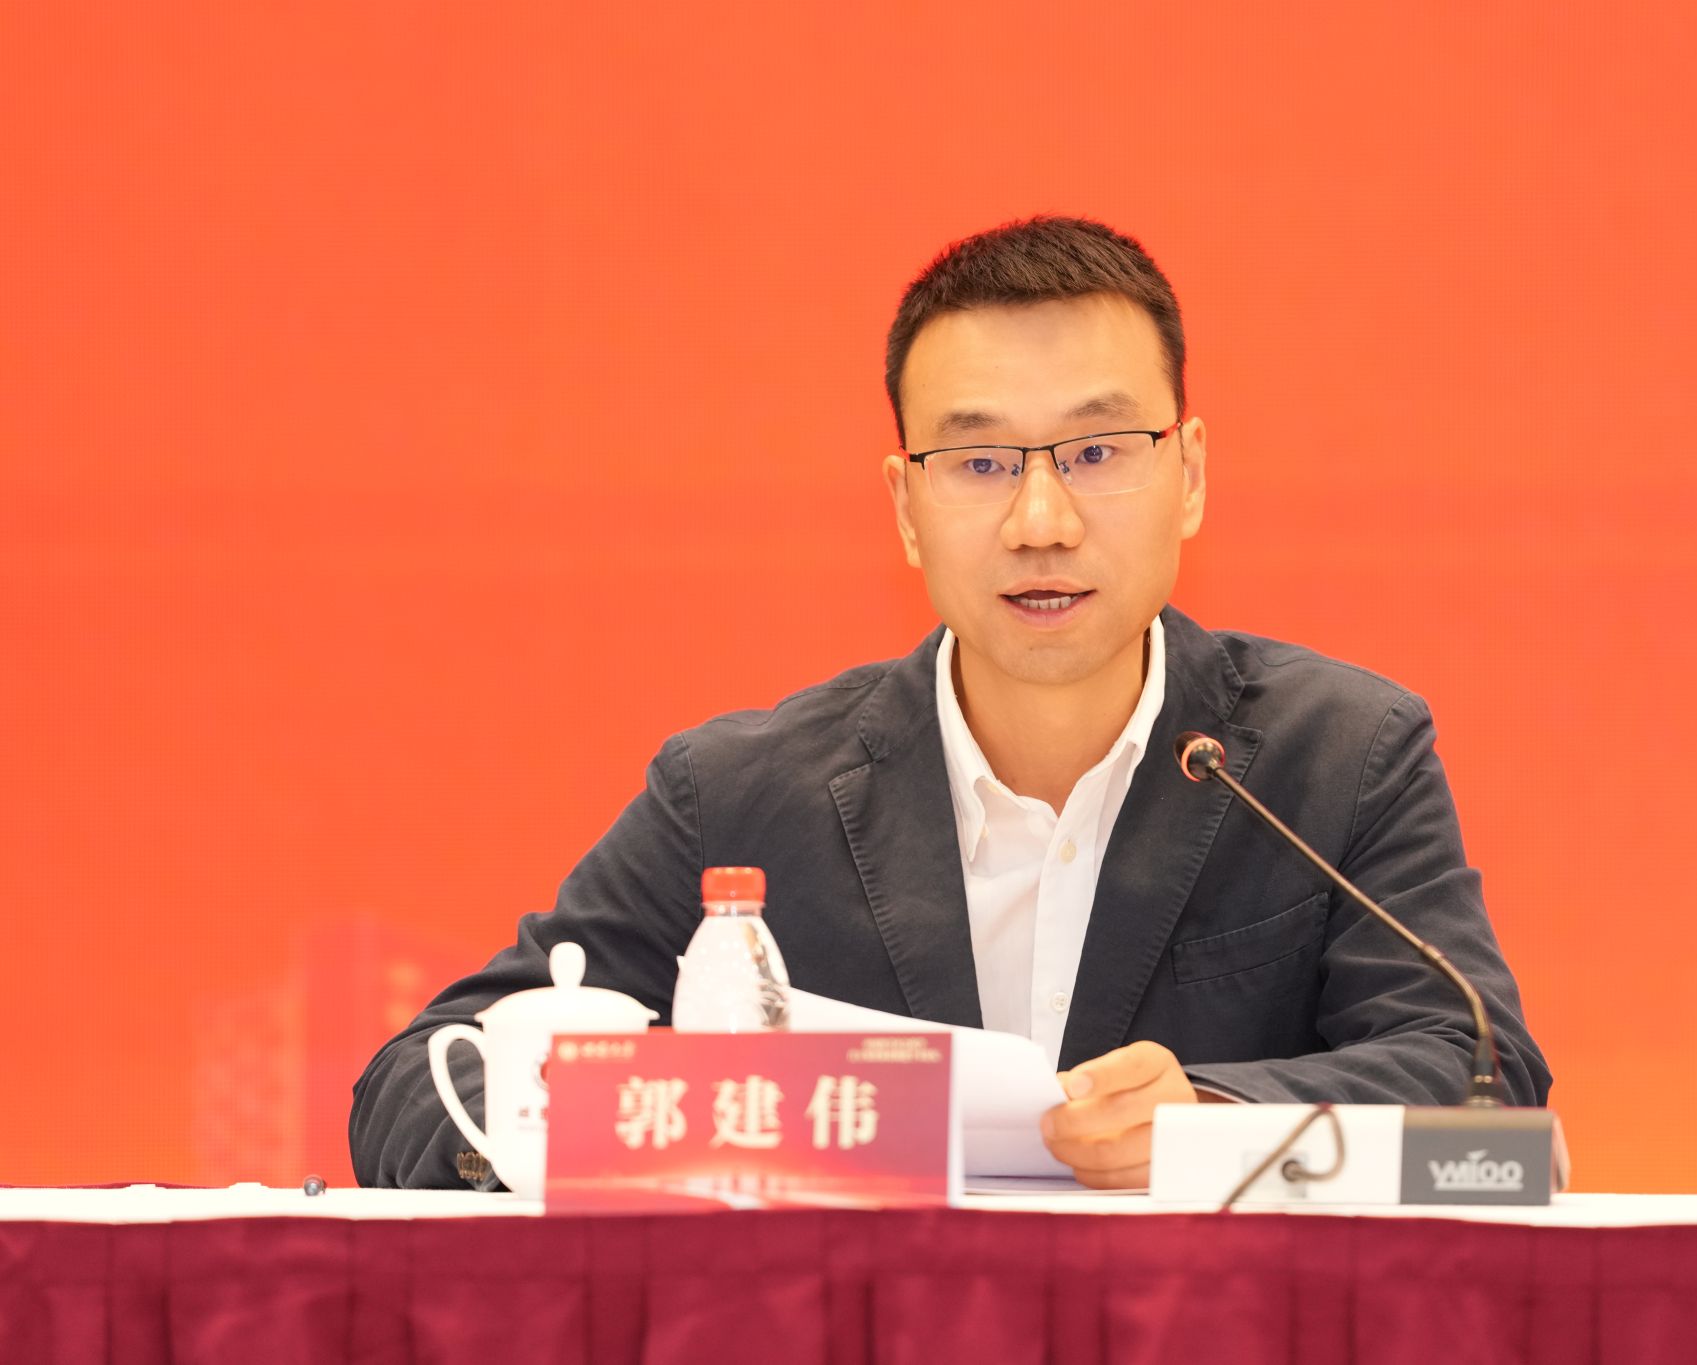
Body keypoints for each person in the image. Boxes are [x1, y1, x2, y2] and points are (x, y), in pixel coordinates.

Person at [350, 216, 1549, 1191]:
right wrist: (592, 1126)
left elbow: (1480, 1076)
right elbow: (420, 1079)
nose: (1040, 521)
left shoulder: (1338, 756)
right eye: (978, 463)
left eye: (1096, 451)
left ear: (1187, 475)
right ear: (904, 507)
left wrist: (1216, 1118)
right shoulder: (735, 796)